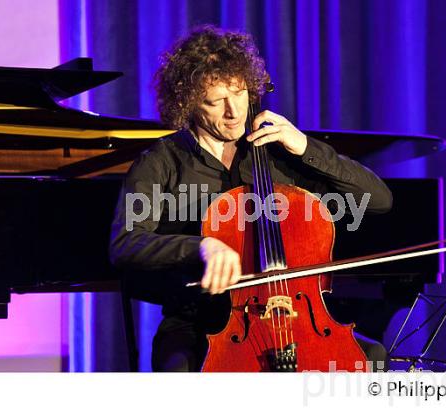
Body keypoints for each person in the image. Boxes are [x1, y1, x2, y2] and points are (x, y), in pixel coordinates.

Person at [109, 25, 393, 372]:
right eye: (216, 101)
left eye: (240, 93)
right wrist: (201, 246)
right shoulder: (161, 162)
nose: (234, 112)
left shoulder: (278, 154)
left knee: (372, 357)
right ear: (186, 104)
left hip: (295, 322)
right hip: (198, 323)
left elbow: (378, 200)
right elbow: (126, 243)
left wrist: (305, 147)